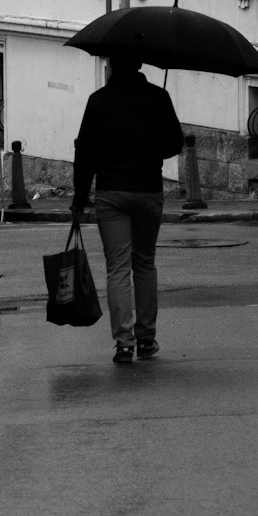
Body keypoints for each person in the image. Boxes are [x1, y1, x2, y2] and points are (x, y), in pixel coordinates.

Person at [71, 51, 184, 364]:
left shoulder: (99, 101)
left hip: (112, 193)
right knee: (144, 263)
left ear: (112, 66)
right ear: (139, 65)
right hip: (148, 190)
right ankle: (147, 338)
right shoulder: (158, 97)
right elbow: (175, 143)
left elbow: (86, 152)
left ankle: (124, 342)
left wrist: (80, 198)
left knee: (118, 267)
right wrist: (151, 145)